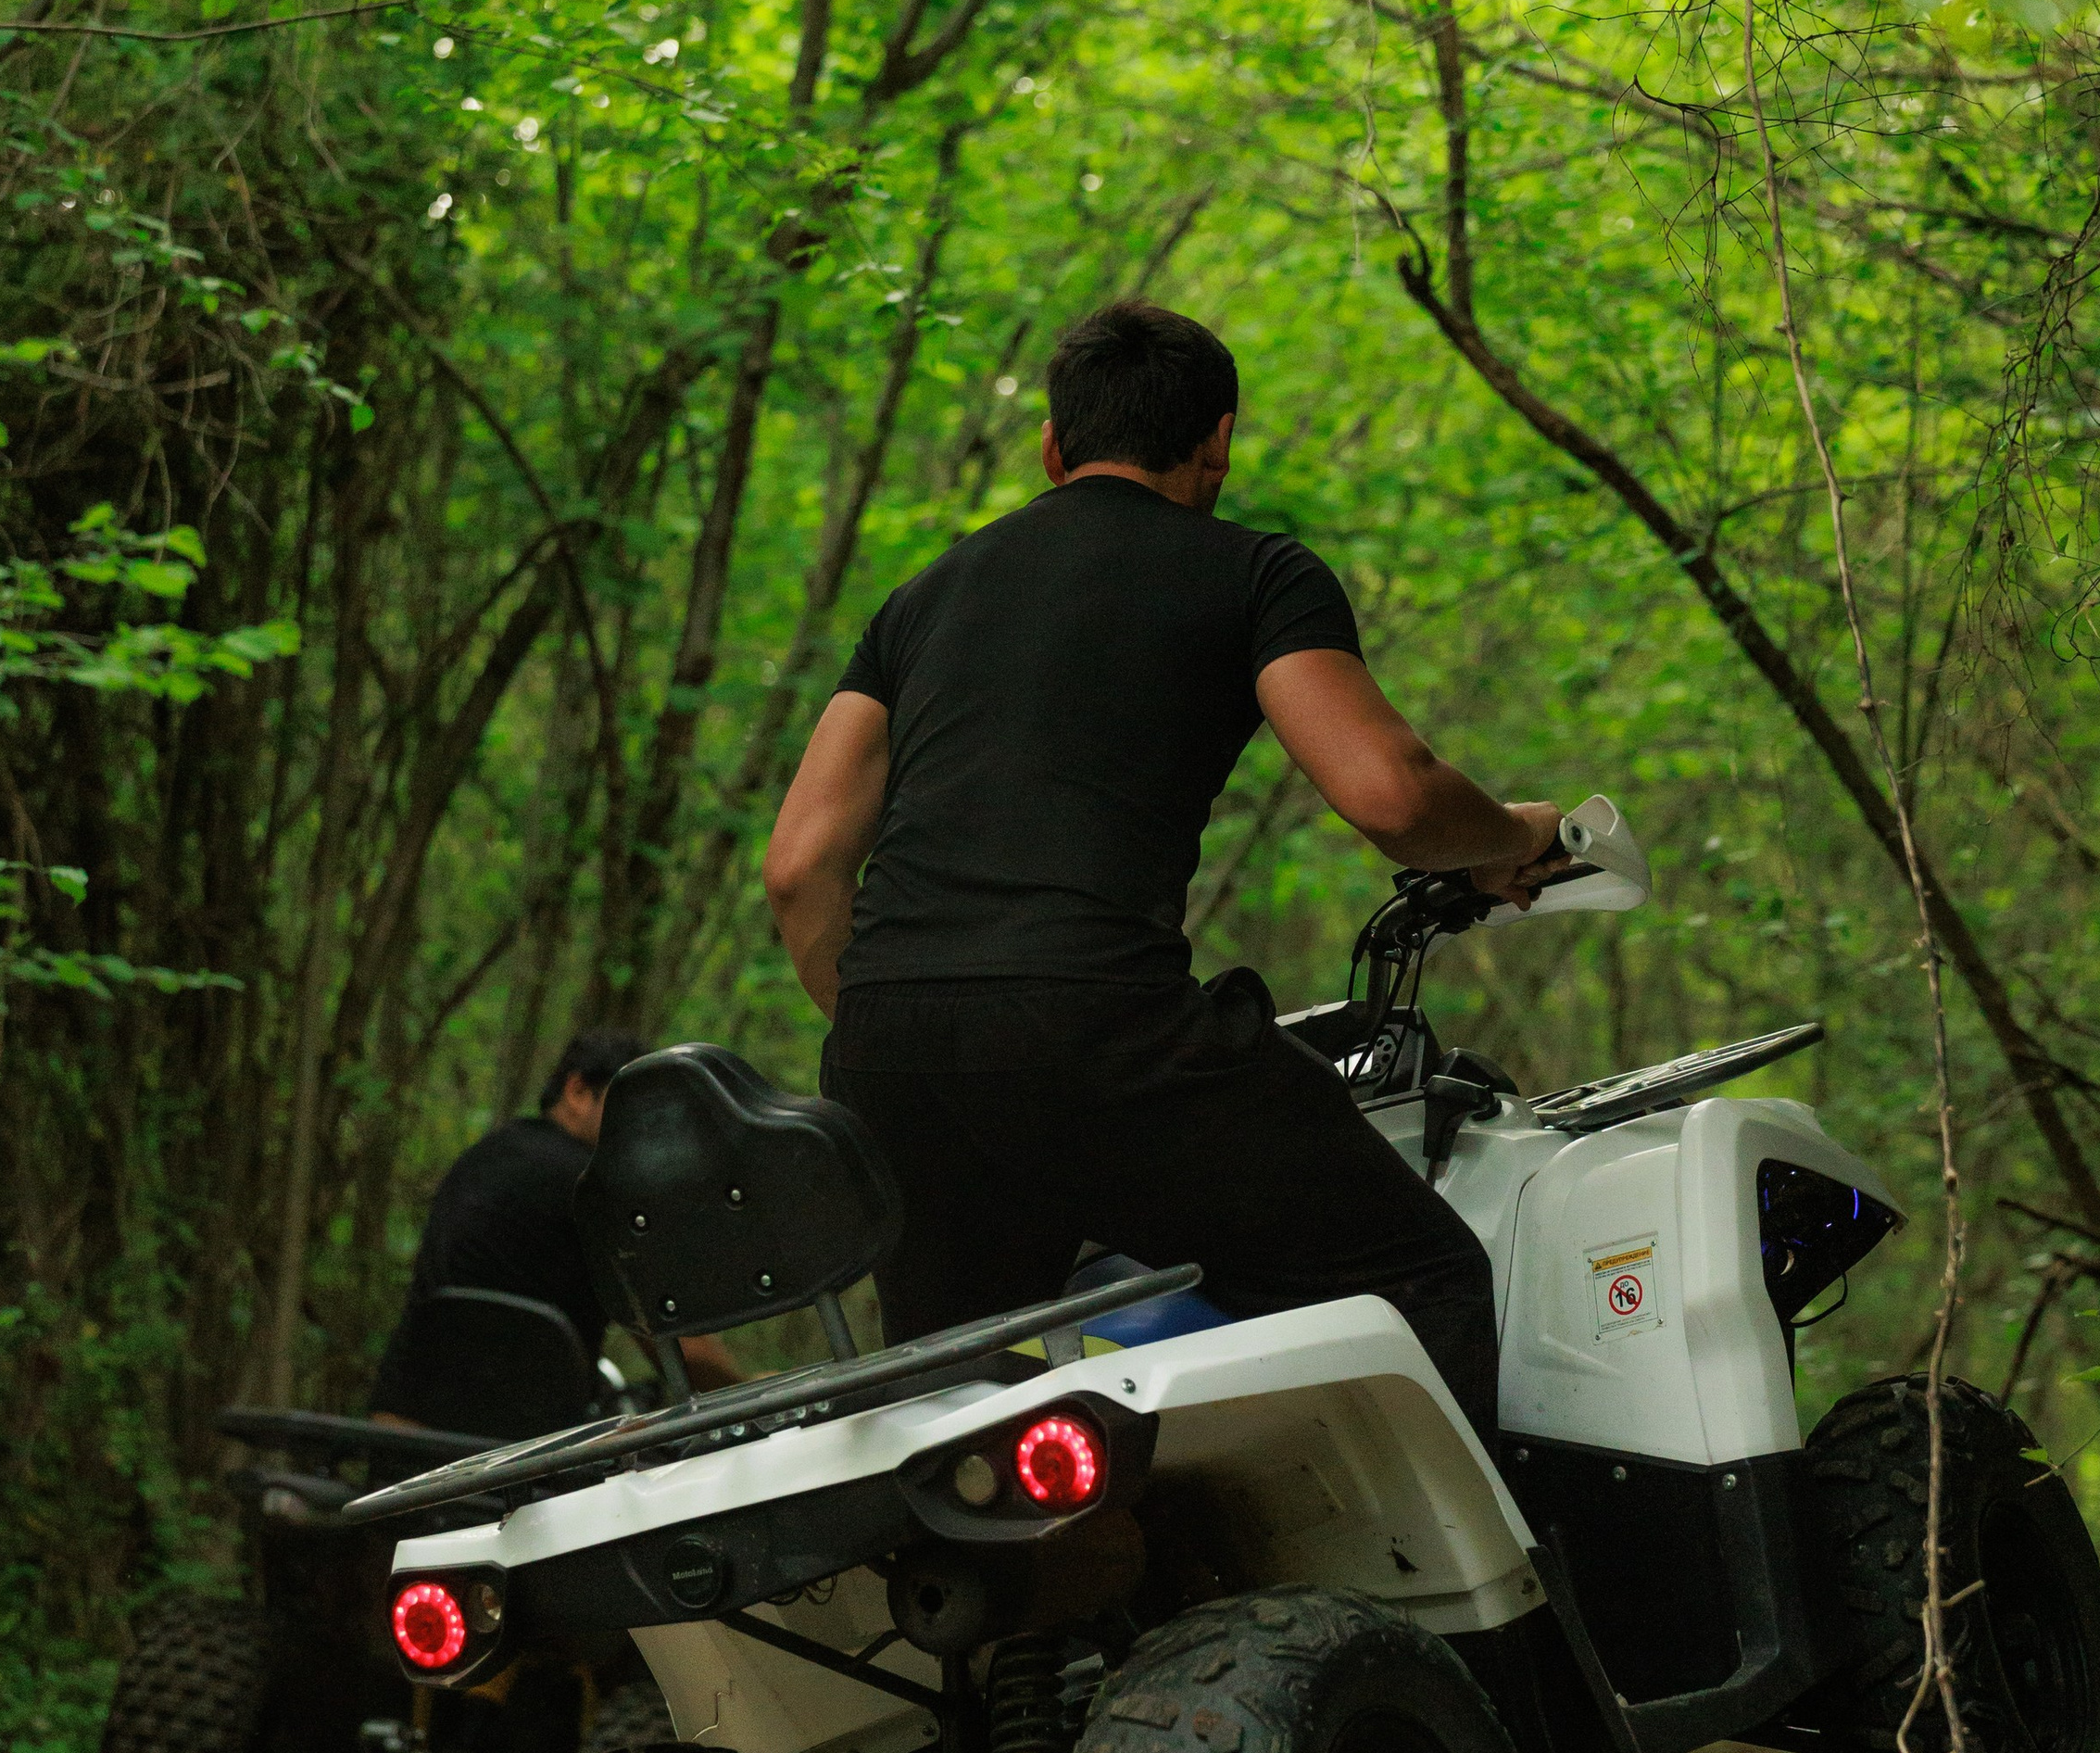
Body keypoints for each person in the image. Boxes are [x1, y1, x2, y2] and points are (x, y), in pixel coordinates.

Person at [760, 298, 1566, 1449]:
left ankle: (1036, 1632)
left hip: (889, 1051)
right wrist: (1511, 834)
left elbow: (799, 869)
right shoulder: (1252, 574)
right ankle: (1490, 1624)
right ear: (1219, 441)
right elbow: (1391, 798)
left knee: (962, 1422)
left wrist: (926, 1026)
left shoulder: (919, 603)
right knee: (1418, 1274)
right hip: (1094, 1021)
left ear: (1052, 446)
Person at [370, 1028, 736, 1420]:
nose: (642, 1127)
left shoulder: (485, 1155)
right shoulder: (593, 1185)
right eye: (631, 1105)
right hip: (523, 1448)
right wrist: (746, 1390)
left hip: (404, 1424)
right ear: (578, 1092)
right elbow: (679, 1342)